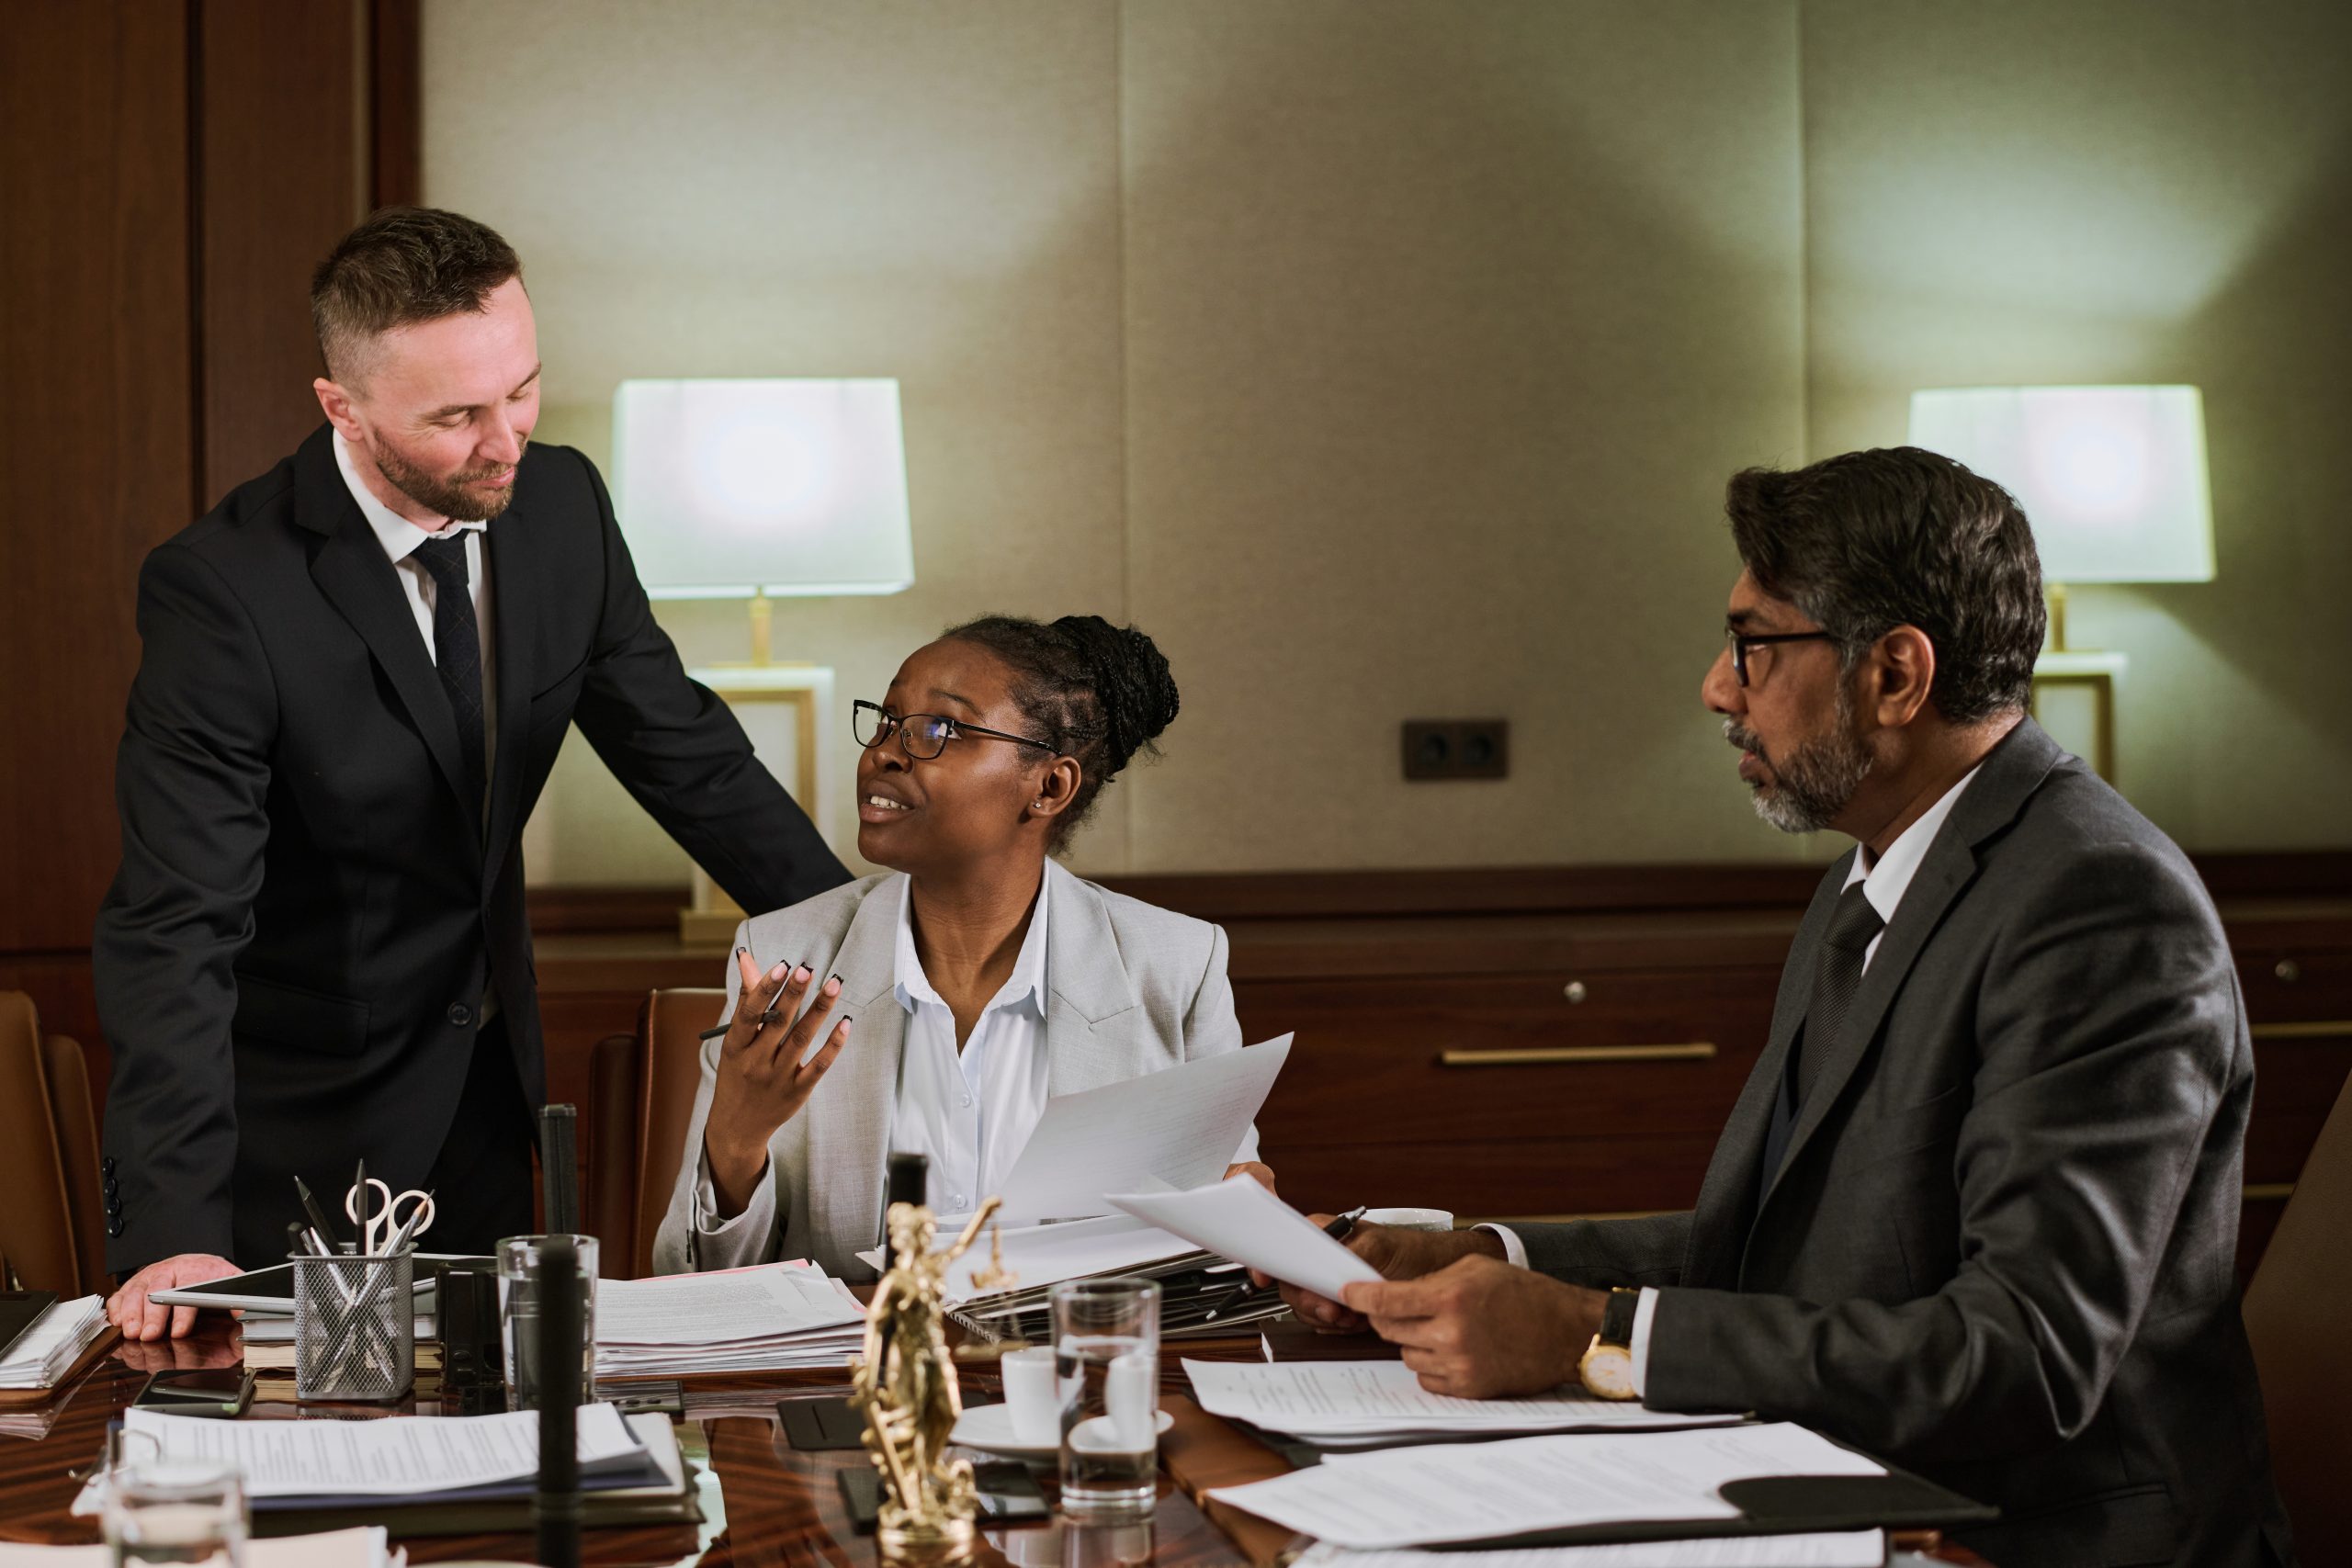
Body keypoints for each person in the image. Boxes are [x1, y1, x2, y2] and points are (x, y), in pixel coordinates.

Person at [1273, 449, 2293, 1567]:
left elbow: (2025, 1355)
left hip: (2041, 1537)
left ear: (1895, 675)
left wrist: (1589, 1342)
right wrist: (1488, 1252)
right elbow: (1768, 1249)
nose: (1718, 686)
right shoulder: (1877, 872)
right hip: (1848, 1485)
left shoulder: (2098, 905)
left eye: (1755, 644)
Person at [97, 207, 849, 1339]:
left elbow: (689, 762)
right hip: (299, 1129)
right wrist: (171, 1225)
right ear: (341, 408)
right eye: (456, 416)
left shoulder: (562, 510)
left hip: (492, 1095)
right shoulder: (225, 593)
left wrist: (875, 959)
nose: (506, 441)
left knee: (496, 1451)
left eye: (523, 390)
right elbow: (176, 925)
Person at [653, 615, 1275, 1280]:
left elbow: (1227, 1239)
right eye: (888, 720)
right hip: (864, 1375)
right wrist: (737, 1140)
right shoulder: (783, 956)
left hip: (1075, 1368)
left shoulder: (1176, 966)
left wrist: (1238, 1213)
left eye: (937, 729)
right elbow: (690, 1280)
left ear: (1049, 786)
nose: (886, 752)